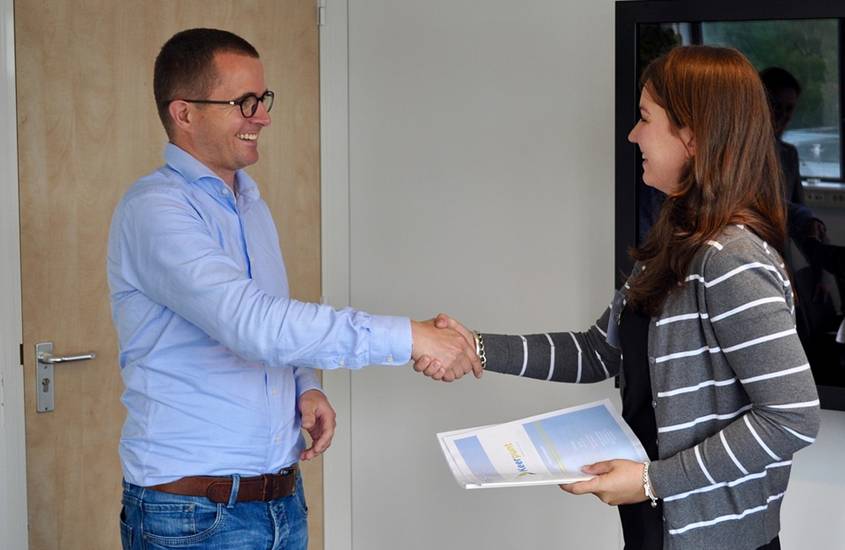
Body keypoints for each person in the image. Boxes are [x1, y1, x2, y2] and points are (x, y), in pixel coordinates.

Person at [421, 46, 821, 550]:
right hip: (658, 526)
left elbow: (792, 417)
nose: (633, 134)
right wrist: (474, 346)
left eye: (645, 118)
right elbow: (600, 350)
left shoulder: (730, 259)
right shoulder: (678, 238)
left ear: (692, 136)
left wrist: (653, 481)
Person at [108, 28, 480, 550]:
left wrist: (304, 383)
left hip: (279, 502)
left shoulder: (248, 203)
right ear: (184, 113)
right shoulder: (156, 211)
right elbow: (251, 324)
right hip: (193, 516)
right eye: (243, 103)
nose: (262, 117)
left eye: (262, 100)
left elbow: (272, 317)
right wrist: (410, 337)